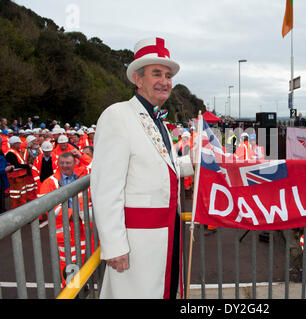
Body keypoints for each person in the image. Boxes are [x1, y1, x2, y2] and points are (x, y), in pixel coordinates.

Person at [91, 36, 194, 299]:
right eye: (156, 73)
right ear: (138, 80)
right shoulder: (117, 115)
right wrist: (113, 245)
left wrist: (191, 163)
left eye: (168, 75)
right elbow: (105, 187)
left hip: (165, 235)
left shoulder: (157, 120)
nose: (165, 81)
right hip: (137, 243)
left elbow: (159, 166)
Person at [39, 152, 90, 285]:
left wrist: (80, 154)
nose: (65, 166)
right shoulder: (49, 182)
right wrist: (72, 214)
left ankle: (79, 286)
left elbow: (92, 165)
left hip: (82, 228)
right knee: (68, 264)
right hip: (64, 231)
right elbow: (46, 206)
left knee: (82, 259)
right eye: (62, 163)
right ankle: (70, 290)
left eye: (68, 163)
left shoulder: (80, 176)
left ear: (74, 164)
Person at [4, 136, 34, 209]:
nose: (20, 144)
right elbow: (16, 164)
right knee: (15, 197)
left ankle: (22, 211)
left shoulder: (17, 152)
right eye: (18, 143)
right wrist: (27, 166)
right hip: (15, 179)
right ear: (14, 144)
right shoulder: (10, 153)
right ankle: (15, 213)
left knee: (22, 195)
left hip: (21, 177)